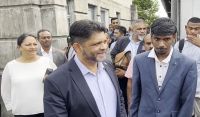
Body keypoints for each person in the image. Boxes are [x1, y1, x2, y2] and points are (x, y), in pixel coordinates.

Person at [43, 20, 127, 117]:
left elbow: (119, 100)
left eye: (105, 41)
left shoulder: (108, 66)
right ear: (78, 47)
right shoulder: (56, 81)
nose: (104, 47)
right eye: (97, 44)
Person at [129, 18, 197, 117]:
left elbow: (187, 103)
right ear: (151, 37)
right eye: (157, 39)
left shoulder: (188, 64)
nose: (161, 44)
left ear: (174, 37)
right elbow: (135, 96)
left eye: (166, 39)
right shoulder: (139, 61)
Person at [1, 33, 57, 117]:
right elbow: (5, 91)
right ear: (19, 47)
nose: (33, 47)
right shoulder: (10, 66)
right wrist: (11, 108)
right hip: (21, 112)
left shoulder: (46, 62)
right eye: (28, 45)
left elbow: (59, 84)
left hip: (46, 110)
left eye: (35, 44)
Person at [174, 17, 200, 116]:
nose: (193, 31)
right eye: (190, 28)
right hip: (183, 92)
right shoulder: (180, 45)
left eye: (197, 28)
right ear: (186, 28)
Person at [125, 34, 153, 108]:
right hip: (141, 104)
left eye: (153, 42)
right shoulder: (136, 60)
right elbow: (130, 85)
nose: (151, 46)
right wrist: (130, 105)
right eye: (148, 43)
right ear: (143, 45)